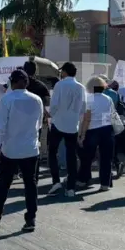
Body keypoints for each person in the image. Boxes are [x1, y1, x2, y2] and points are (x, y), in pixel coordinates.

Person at [0, 69, 43, 231]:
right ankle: (31, 218)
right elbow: (39, 124)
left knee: (5, 182)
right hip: (31, 149)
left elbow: (0, 126)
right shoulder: (36, 99)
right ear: (26, 82)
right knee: (30, 184)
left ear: (12, 82)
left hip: (10, 149)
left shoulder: (7, 99)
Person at [46, 62, 85, 198]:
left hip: (58, 123)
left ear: (65, 72)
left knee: (52, 152)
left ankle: (56, 180)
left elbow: (54, 104)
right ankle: (71, 188)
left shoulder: (59, 85)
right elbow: (83, 108)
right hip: (72, 125)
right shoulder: (81, 87)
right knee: (71, 155)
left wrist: (50, 114)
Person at [77, 76, 116, 191]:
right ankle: (105, 183)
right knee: (106, 158)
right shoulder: (108, 99)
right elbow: (112, 114)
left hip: (92, 130)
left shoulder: (89, 99)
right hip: (107, 129)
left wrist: (82, 134)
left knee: (86, 157)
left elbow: (87, 119)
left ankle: (83, 180)